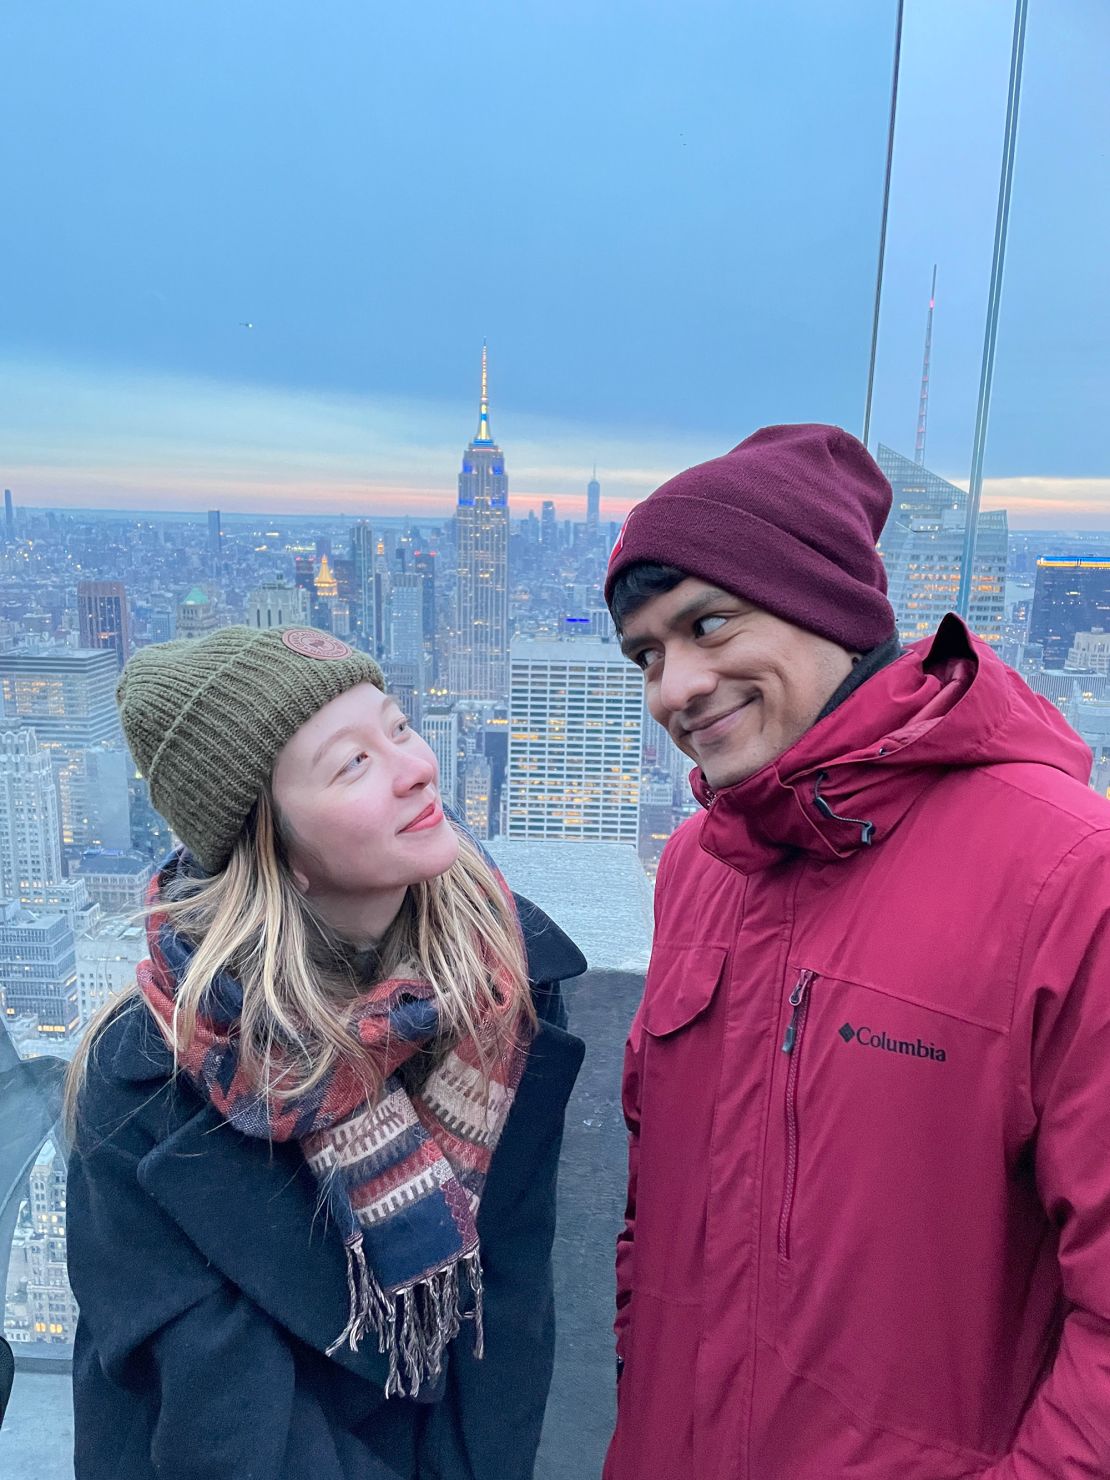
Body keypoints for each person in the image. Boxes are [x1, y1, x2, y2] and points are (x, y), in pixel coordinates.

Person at [601, 424, 1110, 1479]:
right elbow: (653, 1217)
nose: (675, 687)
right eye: (647, 653)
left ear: (828, 607)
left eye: (709, 624)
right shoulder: (700, 862)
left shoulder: (1067, 875)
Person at [65, 625, 586, 1480]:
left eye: (398, 727)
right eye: (353, 764)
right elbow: (222, 1416)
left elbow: (506, 1316)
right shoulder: (150, 1079)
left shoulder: (499, 987)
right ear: (278, 849)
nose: (415, 768)